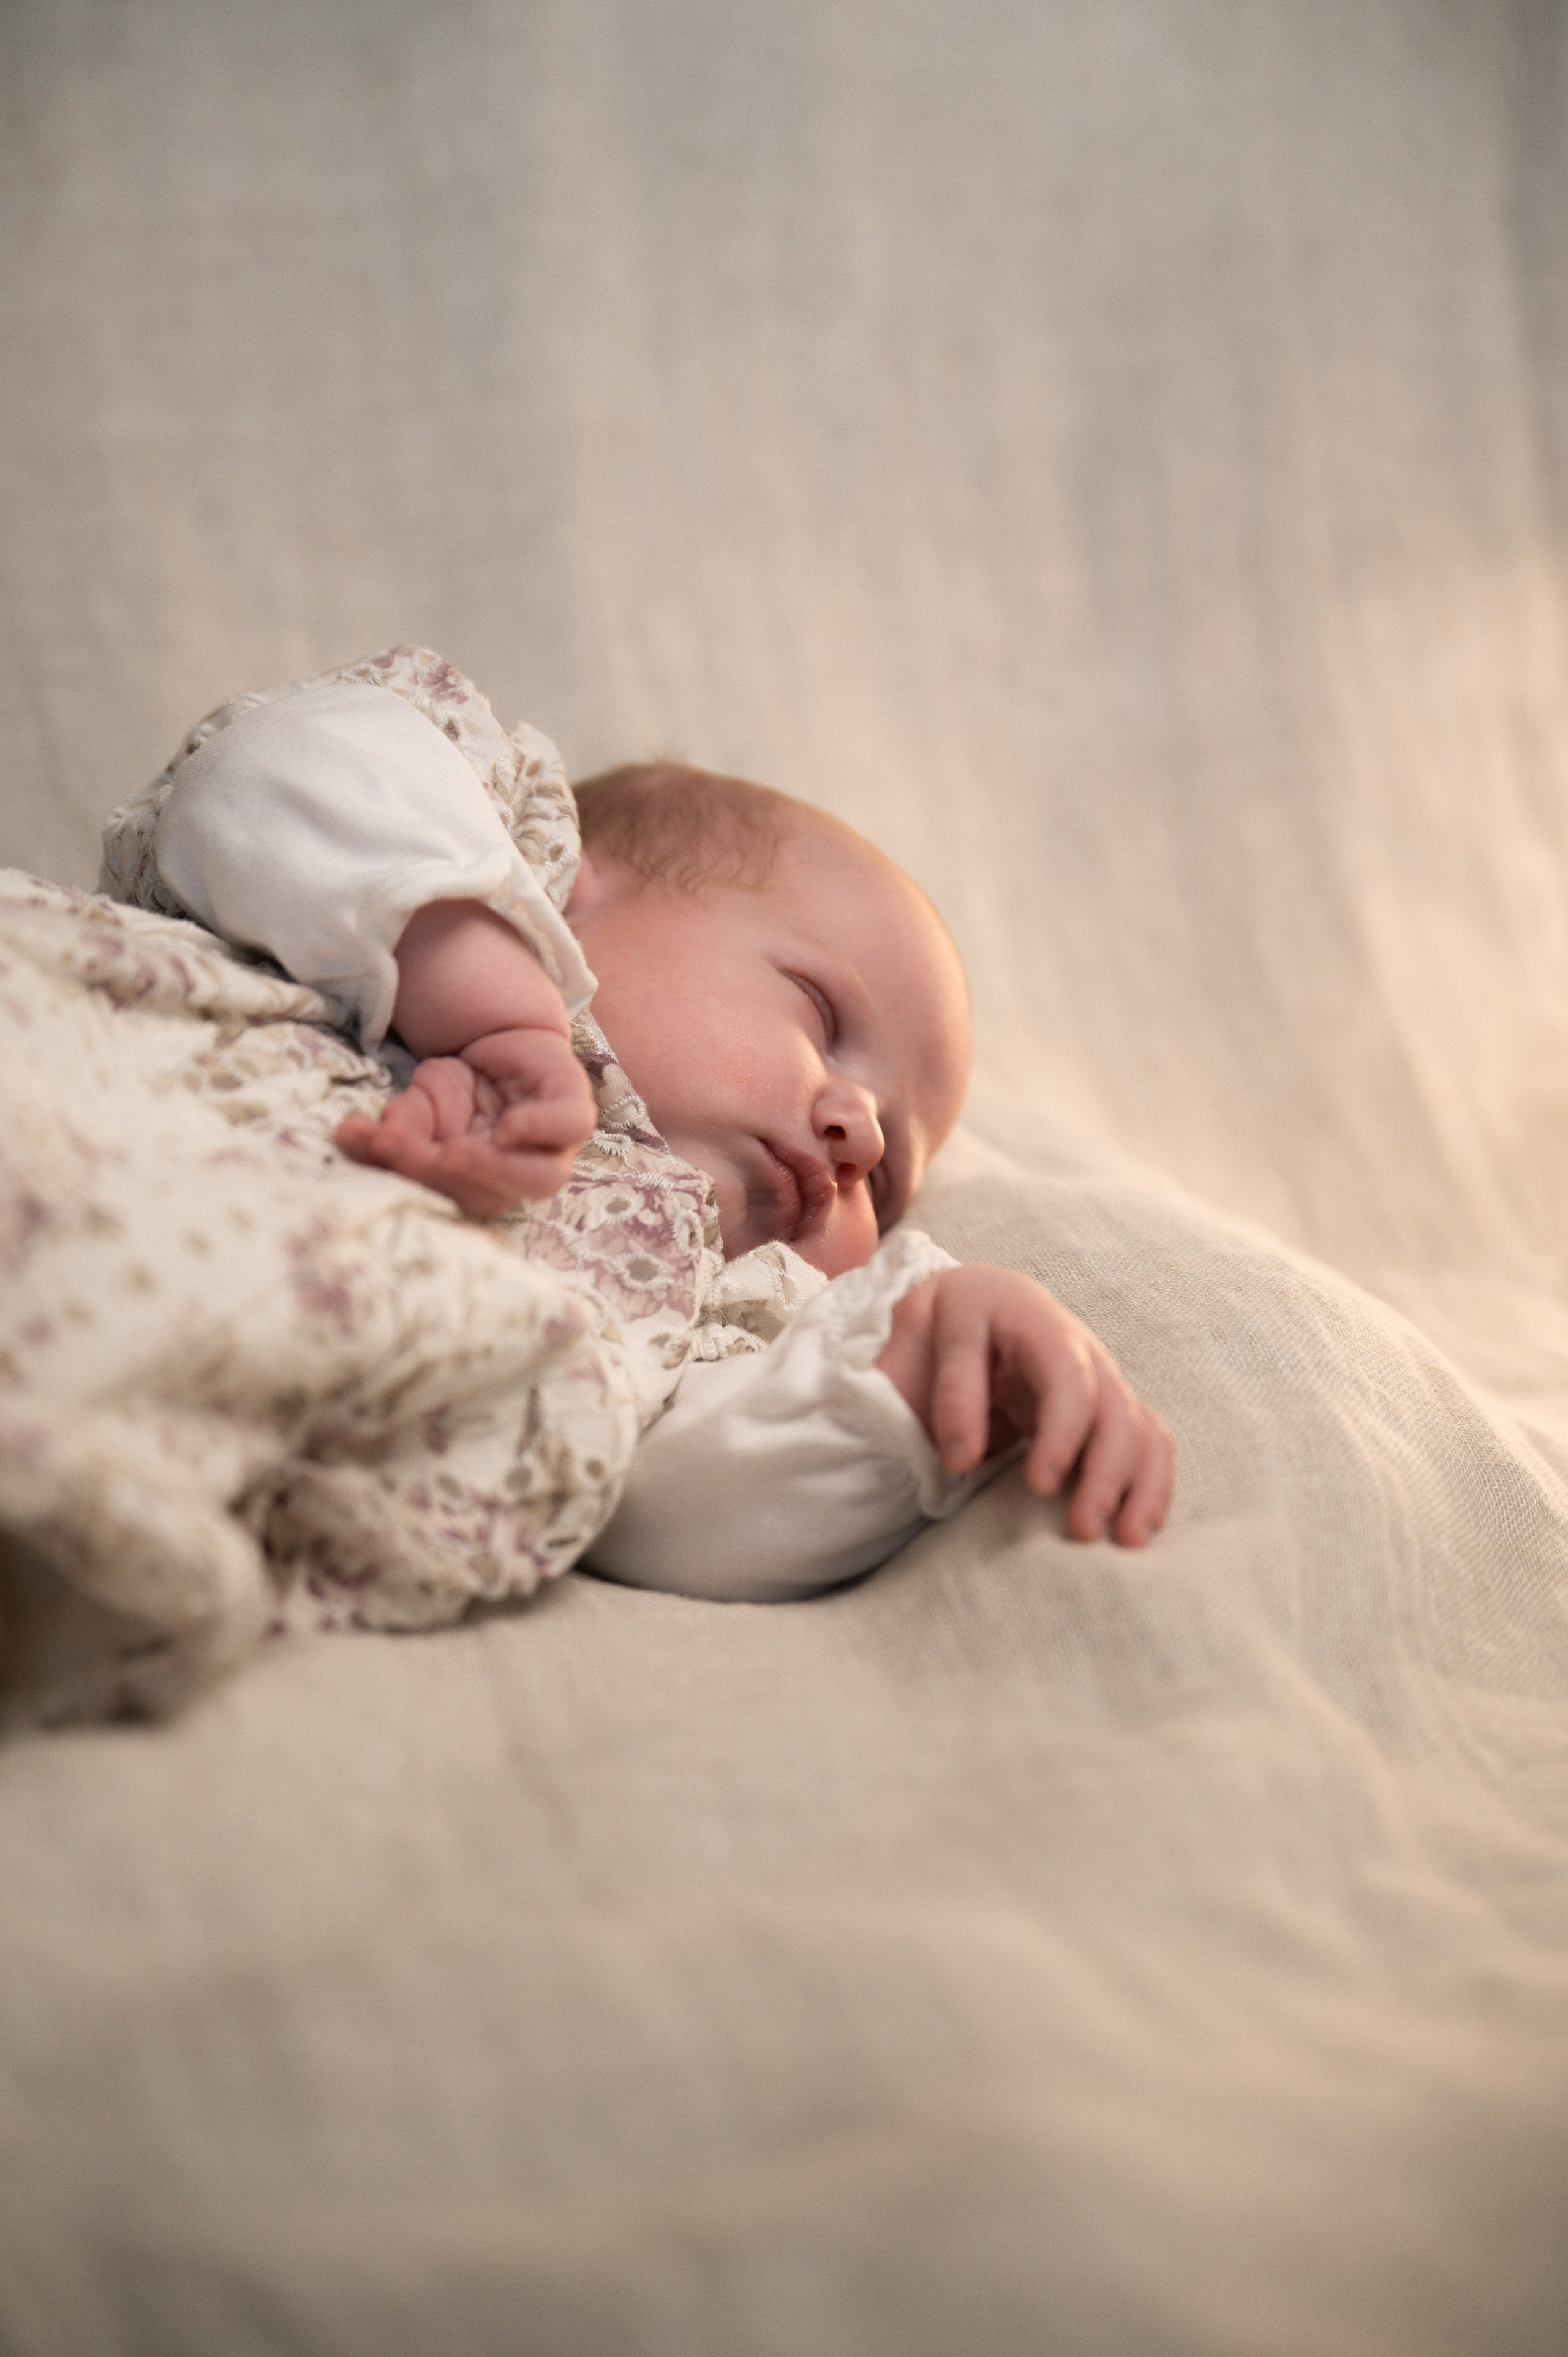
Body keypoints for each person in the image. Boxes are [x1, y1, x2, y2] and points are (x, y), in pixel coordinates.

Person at [139, 650, 1173, 1598]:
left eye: (891, 1178)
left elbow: (664, 1514)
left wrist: (911, 1369)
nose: (858, 1134)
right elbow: (255, 781)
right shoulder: (351, 950)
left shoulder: (679, 1317)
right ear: (559, 885)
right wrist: (490, 993)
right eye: (822, 1015)